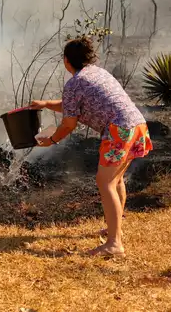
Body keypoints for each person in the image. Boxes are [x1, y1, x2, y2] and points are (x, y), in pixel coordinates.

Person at [30, 36, 152, 257]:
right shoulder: (98, 73)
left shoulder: (74, 83)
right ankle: (115, 230)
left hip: (119, 130)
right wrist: (46, 104)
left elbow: (69, 123)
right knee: (115, 180)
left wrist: (52, 140)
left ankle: (114, 244)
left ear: (66, 60)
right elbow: (72, 105)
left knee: (105, 182)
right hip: (137, 125)